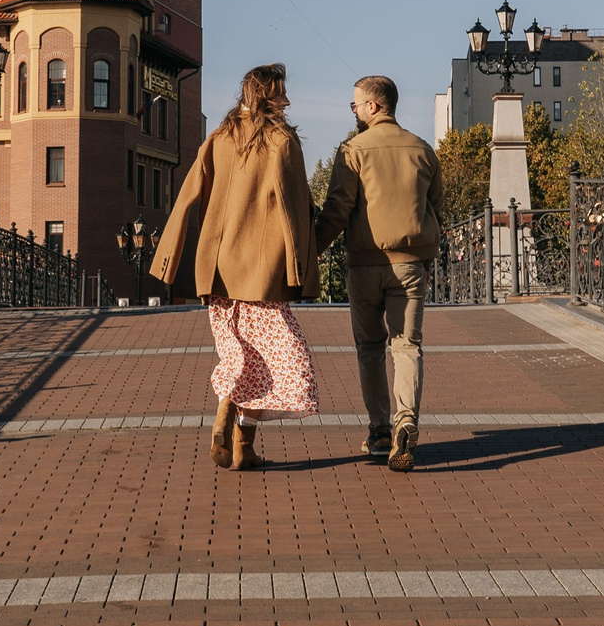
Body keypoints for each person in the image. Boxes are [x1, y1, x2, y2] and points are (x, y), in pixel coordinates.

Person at [151, 63, 318, 471]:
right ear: (266, 96)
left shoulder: (219, 137)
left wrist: (169, 257)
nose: (287, 101)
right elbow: (297, 206)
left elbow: (187, 193)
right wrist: (303, 267)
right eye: (281, 93)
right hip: (264, 272)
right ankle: (235, 429)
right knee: (281, 359)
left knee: (240, 355)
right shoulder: (281, 140)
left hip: (220, 268)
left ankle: (235, 437)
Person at [313, 75, 444, 472]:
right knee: (407, 347)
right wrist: (425, 255)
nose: (353, 111)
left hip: (365, 264)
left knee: (370, 349)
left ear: (373, 106)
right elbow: (436, 207)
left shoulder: (352, 150)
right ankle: (407, 421)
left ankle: (379, 431)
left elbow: (337, 209)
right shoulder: (422, 149)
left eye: (355, 105)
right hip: (409, 265)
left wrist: (310, 252)